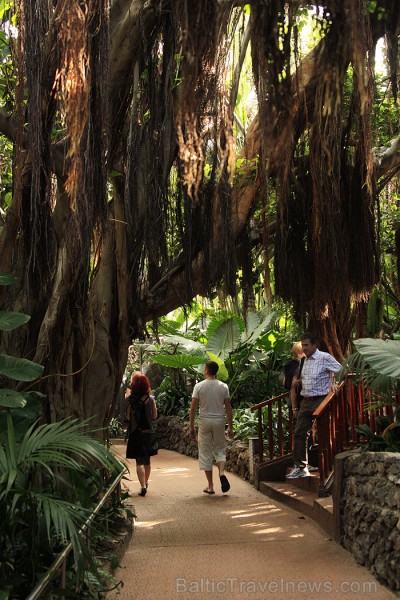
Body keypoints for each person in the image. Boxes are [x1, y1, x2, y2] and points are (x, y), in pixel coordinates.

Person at [286, 332, 341, 479]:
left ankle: (331, 464)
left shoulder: (324, 357)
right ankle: (301, 467)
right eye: (302, 345)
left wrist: (335, 383)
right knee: (299, 432)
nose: (304, 348)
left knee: (325, 432)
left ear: (315, 345)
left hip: (321, 399)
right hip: (306, 400)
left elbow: (341, 370)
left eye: (307, 345)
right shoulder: (304, 360)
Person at [189, 361, 234, 494]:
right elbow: (228, 408)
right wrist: (230, 426)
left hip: (204, 421)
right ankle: (221, 473)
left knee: (205, 452)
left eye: (204, 368)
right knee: (220, 449)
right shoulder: (223, 386)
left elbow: (193, 408)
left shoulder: (199, 386)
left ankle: (210, 486)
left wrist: (191, 426)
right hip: (219, 421)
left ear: (207, 370)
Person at [125, 372, 158, 496]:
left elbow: (128, 417)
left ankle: (142, 485)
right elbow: (154, 416)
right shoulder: (151, 399)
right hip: (148, 433)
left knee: (139, 462)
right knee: (147, 461)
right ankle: (146, 483)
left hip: (135, 433)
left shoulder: (130, 400)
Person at [283, 341, 305, 407]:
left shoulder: (290, 365)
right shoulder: (297, 366)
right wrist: (294, 407)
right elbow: (292, 385)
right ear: (298, 352)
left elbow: (285, 382)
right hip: (297, 400)